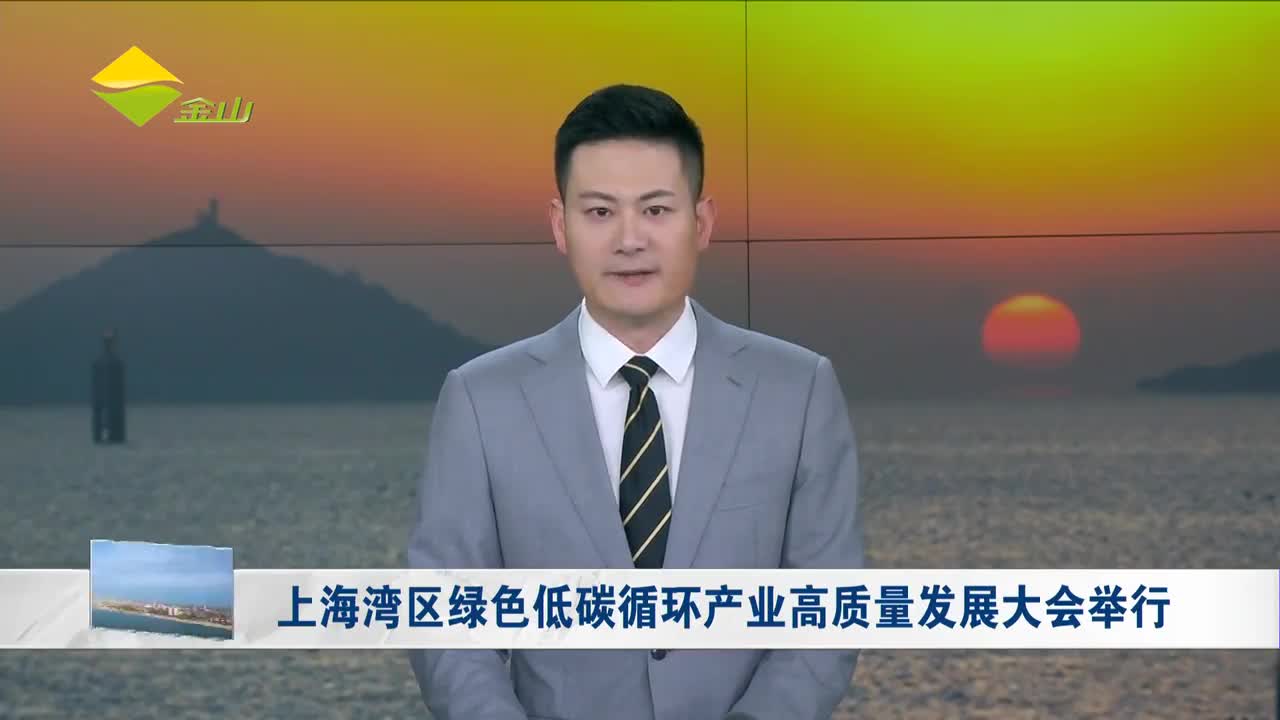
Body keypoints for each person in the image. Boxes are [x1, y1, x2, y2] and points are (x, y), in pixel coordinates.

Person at [408, 83, 864, 720]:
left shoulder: (798, 390)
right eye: (600, 212)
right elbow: (448, 623)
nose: (630, 240)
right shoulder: (481, 401)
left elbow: (827, 613)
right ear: (560, 225)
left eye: (655, 210)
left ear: (702, 222)